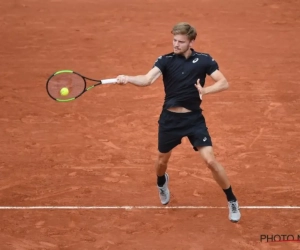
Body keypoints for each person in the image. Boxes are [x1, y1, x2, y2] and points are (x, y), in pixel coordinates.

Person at [116, 22, 241, 223]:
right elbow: (147, 79)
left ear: (191, 42)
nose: (176, 44)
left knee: (210, 161)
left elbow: (223, 82)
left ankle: (232, 199)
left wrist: (205, 91)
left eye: (181, 41)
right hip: (170, 120)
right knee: (161, 161)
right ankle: (161, 182)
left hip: (194, 119)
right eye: (174, 40)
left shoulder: (204, 60)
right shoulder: (165, 61)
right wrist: (128, 78)